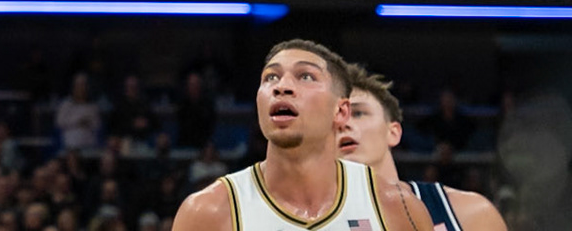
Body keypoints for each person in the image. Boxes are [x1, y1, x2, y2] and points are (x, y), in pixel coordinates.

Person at [170, 41, 429, 230]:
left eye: (305, 76)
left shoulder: (397, 208)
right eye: (270, 77)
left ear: (340, 111)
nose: (282, 86)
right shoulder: (208, 212)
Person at [339, 67, 507, 231]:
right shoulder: (316, 222)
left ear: (393, 132)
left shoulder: (470, 212)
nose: (344, 124)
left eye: (358, 113)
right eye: (334, 117)